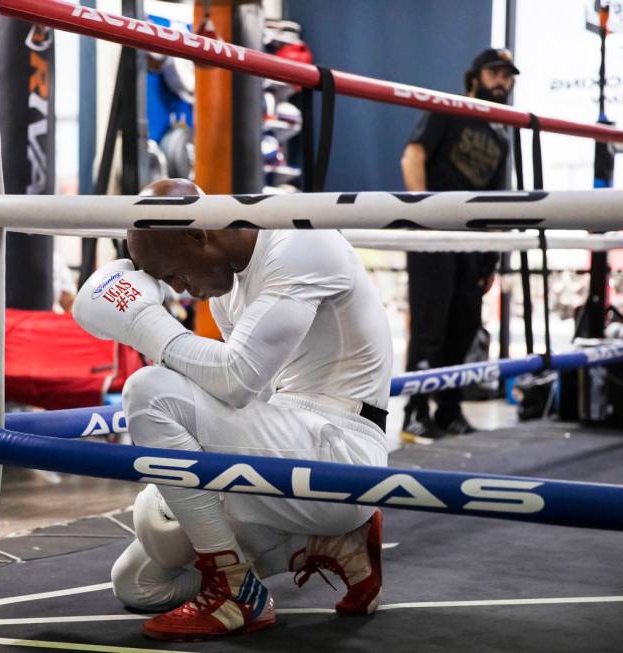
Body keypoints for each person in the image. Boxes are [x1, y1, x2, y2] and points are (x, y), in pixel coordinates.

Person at [72, 178, 392, 641]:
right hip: (281, 446)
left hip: (339, 451)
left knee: (148, 391)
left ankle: (237, 589)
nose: (180, 289)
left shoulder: (299, 239)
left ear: (197, 235)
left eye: (175, 274)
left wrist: (142, 323)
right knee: (140, 581)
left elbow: (236, 379)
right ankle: (325, 544)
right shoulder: (227, 282)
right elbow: (235, 392)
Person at [399, 48, 519, 439]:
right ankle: (415, 413)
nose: (502, 82)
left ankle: (449, 411)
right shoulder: (448, 109)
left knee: (462, 330)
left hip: (474, 244)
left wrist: (493, 258)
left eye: (507, 75)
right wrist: (424, 216)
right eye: (494, 73)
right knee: (429, 329)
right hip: (435, 234)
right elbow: (412, 157)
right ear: (475, 76)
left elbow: (499, 198)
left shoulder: (501, 134)